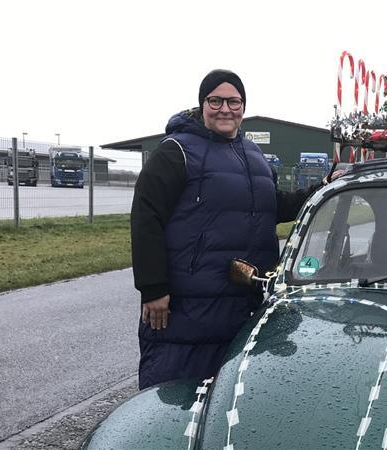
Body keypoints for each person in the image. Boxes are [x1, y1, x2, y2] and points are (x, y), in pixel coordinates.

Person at [130, 69, 337, 390]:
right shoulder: (175, 151)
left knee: (233, 400)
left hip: (245, 300)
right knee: (177, 401)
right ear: (202, 105)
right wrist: (154, 289)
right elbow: (146, 219)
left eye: (234, 101)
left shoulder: (252, 154)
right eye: (216, 100)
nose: (225, 108)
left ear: (243, 107)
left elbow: (276, 206)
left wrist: (322, 188)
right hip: (190, 308)